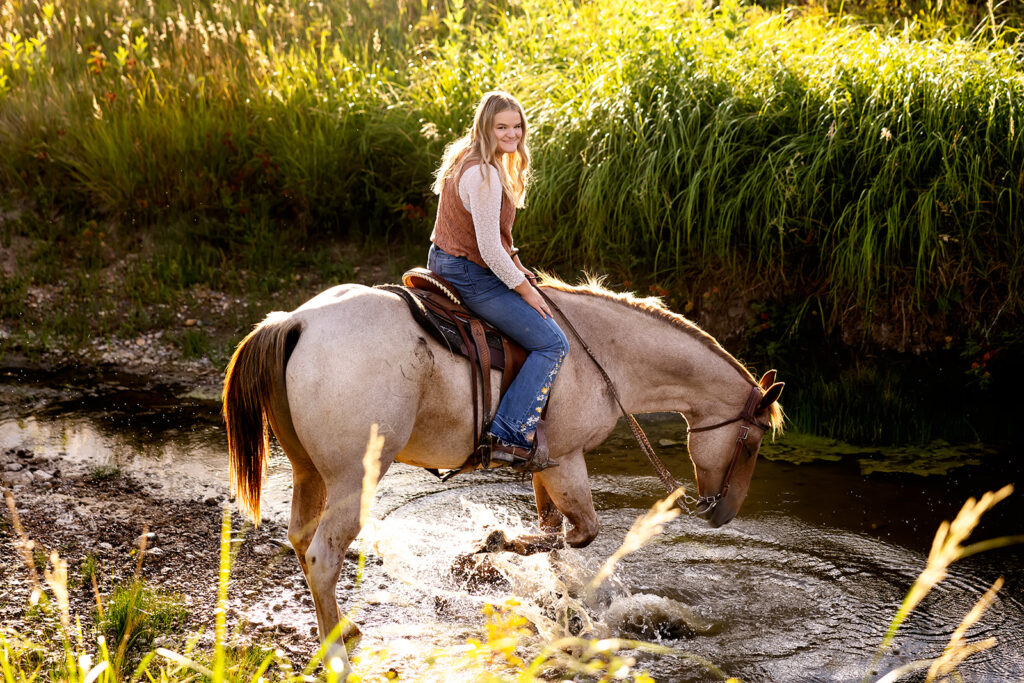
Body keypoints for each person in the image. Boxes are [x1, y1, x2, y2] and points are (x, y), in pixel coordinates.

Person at [427, 91, 568, 473]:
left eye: (517, 125)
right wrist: (524, 289)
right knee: (553, 343)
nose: (512, 134)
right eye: (502, 126)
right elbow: (490, 250)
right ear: (486, 127)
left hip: (447, 260)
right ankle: (508, 434)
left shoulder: (467, 158)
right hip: (470, 273)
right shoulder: (485, 173)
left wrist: (518, 270)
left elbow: (489, 241)